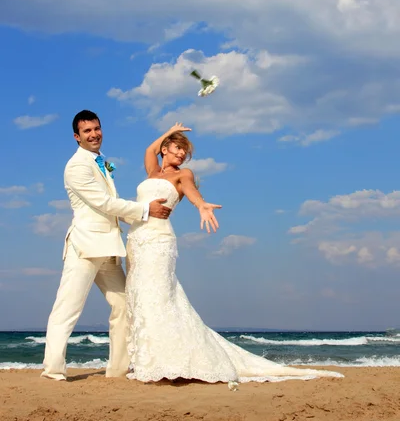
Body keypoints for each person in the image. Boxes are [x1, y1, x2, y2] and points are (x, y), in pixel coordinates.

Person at [125, 123, 343, 384]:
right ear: (165, 149)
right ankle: (147, 361)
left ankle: (168, 363)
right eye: (177, 148)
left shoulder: (183, 175)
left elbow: (192, 191)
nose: (182, 154)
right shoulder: (152, 172)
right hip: (136, 240)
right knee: (140, 297)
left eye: (185, 150)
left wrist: (201, 205)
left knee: (159, 297)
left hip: (160, 241)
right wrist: (169, 131)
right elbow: (150, 148)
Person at [41, 110, 171, 381]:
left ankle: (118, 369)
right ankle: (53, 371)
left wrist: (144, 219)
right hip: (85, 247)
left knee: (124, 304)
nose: (94, 134)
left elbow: (111, 207)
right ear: (77, 137)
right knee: (67, 309)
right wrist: (145, 209)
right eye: (87, 131)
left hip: (110, 247)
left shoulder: (101, 162)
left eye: (96, 128)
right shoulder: (76, 166)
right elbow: (103, 203)